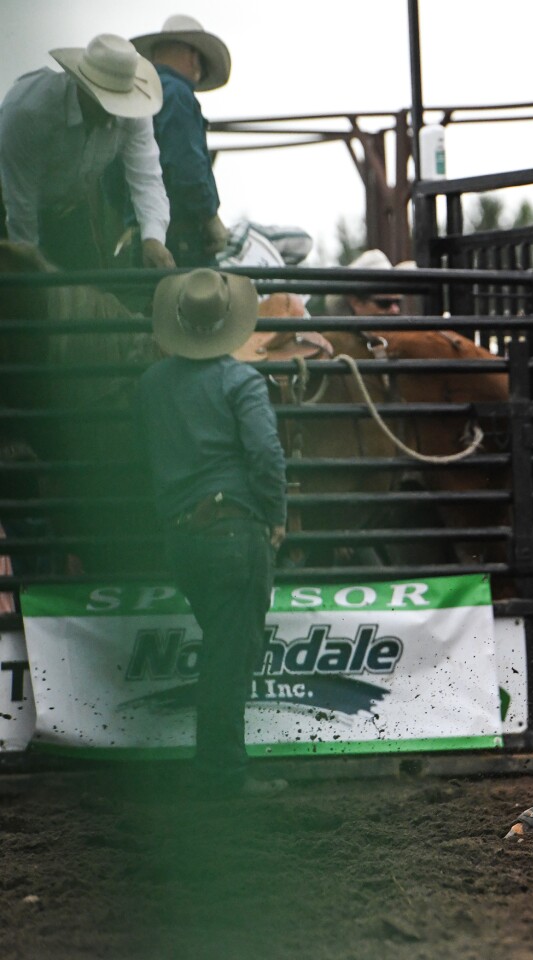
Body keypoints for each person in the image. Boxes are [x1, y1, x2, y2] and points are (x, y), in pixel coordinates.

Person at [136, 269, 288, 797]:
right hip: (233, 532)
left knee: (221, 650)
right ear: (228, 322)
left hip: (181, 539)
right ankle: (222, 775)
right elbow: (266, 454)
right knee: (230, 656)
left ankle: (217, 768)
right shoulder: (240, 381)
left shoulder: (152, 385)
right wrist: (276, 515)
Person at [0, 34, 174, 271]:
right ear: (83, 87)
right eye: (109, 101)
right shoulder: (27, 111)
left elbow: (147, 178)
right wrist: (30, 263)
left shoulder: (134, 115)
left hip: (70, 213)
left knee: (90, 288)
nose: (116, 112)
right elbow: (19, 204)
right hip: (7, 208)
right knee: (19, 296)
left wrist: (153, 238)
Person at [128, 15, 234, 267]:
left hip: (142, 232)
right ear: (193, 57)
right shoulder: (177, 93)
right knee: (201, 299)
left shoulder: (141, 95)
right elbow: (187, 166)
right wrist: (209, 217)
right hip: (180, 236)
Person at [324, 247, 413, 316]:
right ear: (356, 303)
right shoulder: (339, 339)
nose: (395, 310)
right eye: (384, 304)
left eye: (398, 302)